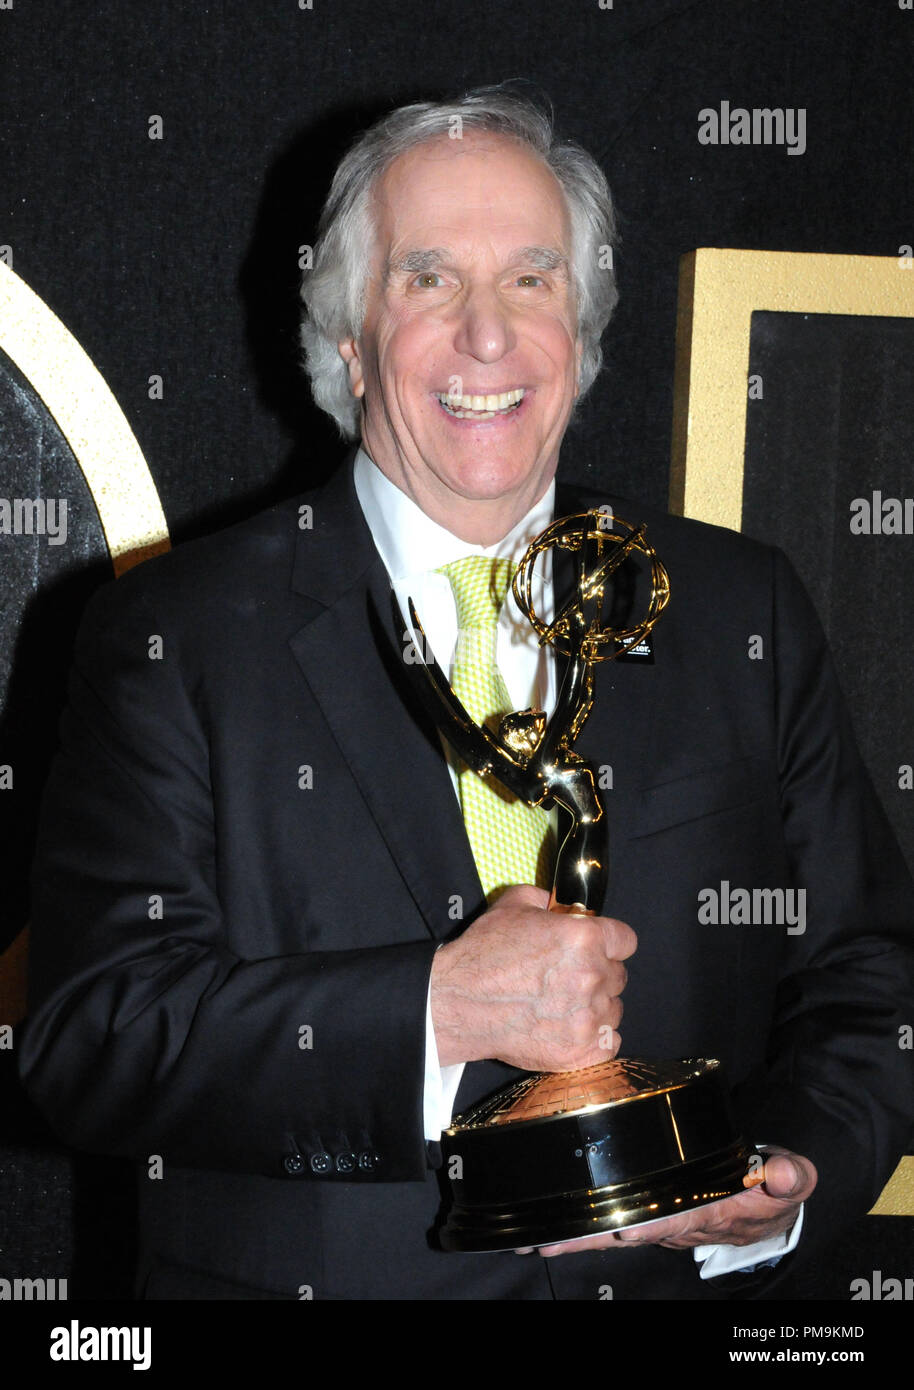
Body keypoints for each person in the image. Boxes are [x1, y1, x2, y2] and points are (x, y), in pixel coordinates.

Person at [19, 88, 914, 1301]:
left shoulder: (733, 606)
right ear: (345, 337)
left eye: (532, 281)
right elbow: (95, 1039)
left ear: (583, 336)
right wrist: (434, 1010)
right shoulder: (176, 634)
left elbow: (868, 967)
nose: (486, 336)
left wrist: (791, 1170)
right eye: (427, 279)